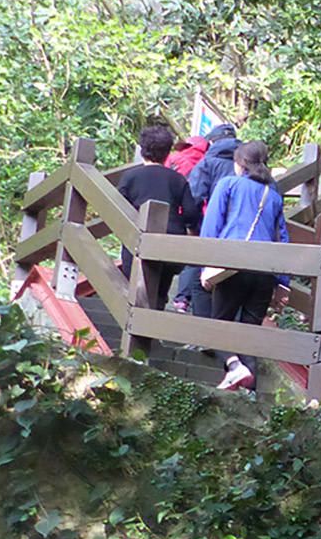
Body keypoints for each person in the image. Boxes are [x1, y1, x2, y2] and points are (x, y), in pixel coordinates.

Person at [197, 140, 286, 391]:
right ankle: (249, 394)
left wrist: (206, 265)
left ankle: (234, 367)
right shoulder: (275, 197)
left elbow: (211, 225)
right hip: (265, 271)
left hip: (233, 264)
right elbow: (283, 239)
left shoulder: (228, 184)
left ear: (240, 164)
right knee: (250, 333)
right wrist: (283, 282)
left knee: (218, 325)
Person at [113, 123, 199, 311]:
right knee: (160, 292)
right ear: (168, 152)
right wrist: (183, 226)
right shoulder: (178, 180)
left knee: (134, 289)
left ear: (142, 150)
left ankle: (134, 331)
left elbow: (117, 206)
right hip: (169, 243)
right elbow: (191, 212)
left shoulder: (131, 176)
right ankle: (153, 327)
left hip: (137, 240)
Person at [170, 122, 239, 313]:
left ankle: (199, 331)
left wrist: (191, 224)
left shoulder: (207, 163)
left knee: (201, 278)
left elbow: (195, 195)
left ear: (212, 141)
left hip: (210, 225)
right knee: (234, 277)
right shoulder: (247, 162)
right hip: (241, 231)